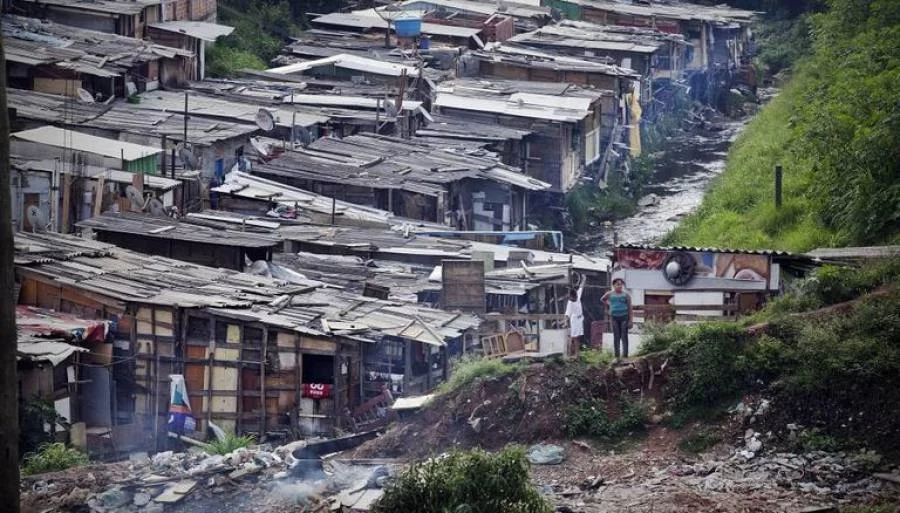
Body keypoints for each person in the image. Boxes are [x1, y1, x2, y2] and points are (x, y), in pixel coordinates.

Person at [602, 278, 633, 360]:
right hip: (614, 318)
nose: (619, 286)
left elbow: (630, 308)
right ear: (614, 285)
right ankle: (617, 357)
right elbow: (602, 299)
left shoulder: (626, 295)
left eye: (621, 284)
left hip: (624, 317)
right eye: (617, 284)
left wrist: (631, 320)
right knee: (616, 337)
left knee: (624, 336)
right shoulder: (610, 294)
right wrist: (610, 304)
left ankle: (625, 356)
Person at [564, 280, 584, 358]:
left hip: (580, 318)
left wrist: (584, 279)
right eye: (573, 297)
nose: (574, 298)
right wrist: (565, 322)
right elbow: (567, 314)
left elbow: (581, 287)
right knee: (574, 337)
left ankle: (577, 354)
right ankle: (571, 353)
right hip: (574, 320)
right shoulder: (570, 303)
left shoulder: (578, 296)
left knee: (577, 337)